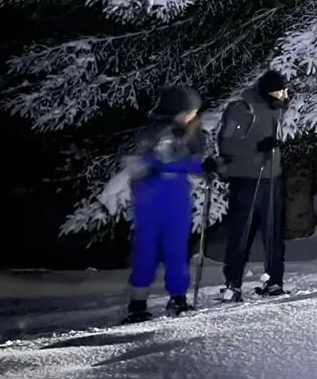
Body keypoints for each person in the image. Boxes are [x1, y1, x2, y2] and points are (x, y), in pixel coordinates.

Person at [122, 86, 216, 323]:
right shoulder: (153, 134)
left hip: (176, 203)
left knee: (176, 253)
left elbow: (185, 163)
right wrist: (152, 166)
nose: (192, 116)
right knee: (147, 253)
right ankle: (138, 303)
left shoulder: (186, 134)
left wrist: (205, 167)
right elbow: (144, 163)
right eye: (188, 112)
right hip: (152, 204)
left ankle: (178, 298)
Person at [218, 69, 289, 301]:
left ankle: (274, 282)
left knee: (273, 234)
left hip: (271, 178)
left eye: (285, 91)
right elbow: (228, 145)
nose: (284, 96)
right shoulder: (243, 109)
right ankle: (233, 284)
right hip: (246, 180)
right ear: (267, 92)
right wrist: (256, 147)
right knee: (242, 233)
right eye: (280, 92)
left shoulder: (274, 109)